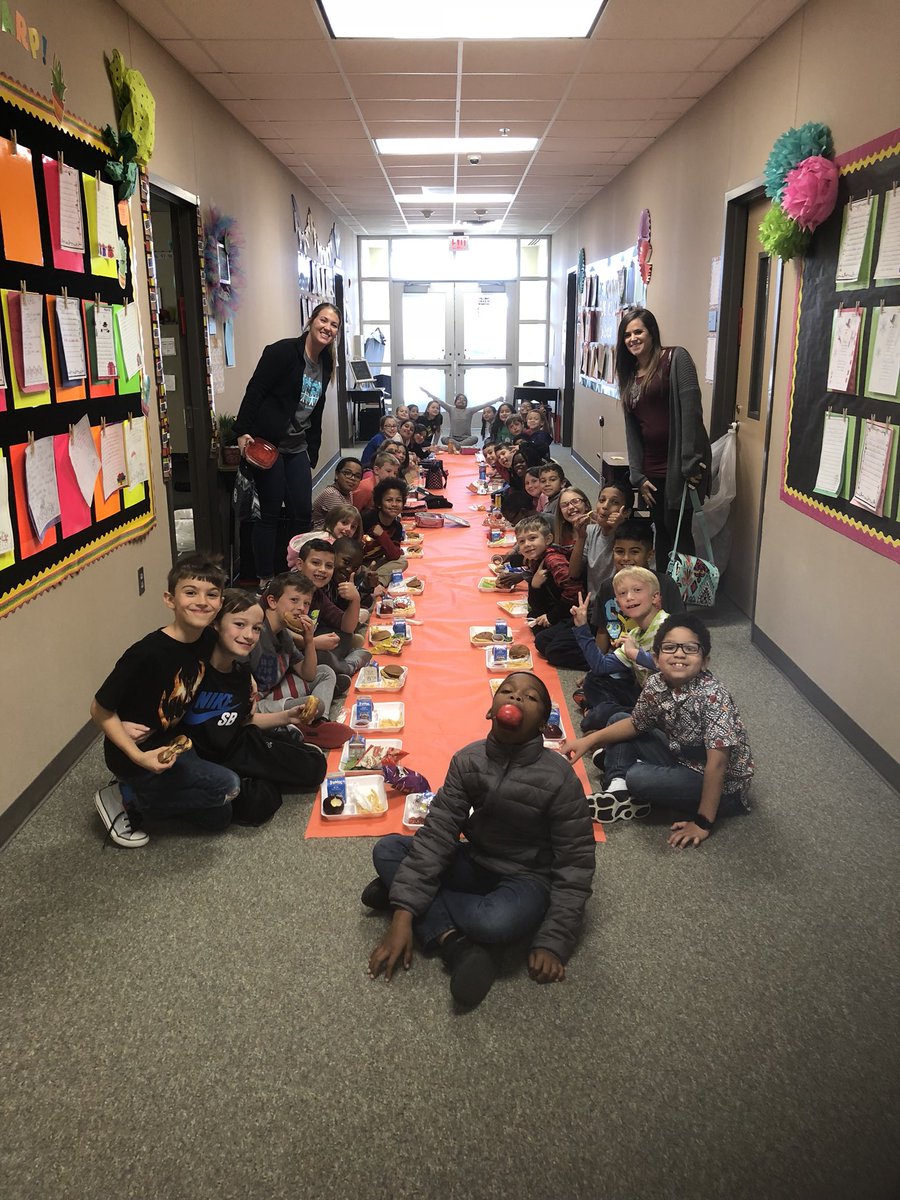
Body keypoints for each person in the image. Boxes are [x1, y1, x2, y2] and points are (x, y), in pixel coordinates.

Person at [363, 671, 595, 1008]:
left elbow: (576, 863)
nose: (516, 699)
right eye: (508, 691)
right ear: (491, 709)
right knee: (387, 848)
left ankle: (403, 892)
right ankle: (452, 940)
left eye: (530, 698)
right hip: (476, 859)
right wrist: (403, 916)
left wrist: (553, 940)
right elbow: (439, 830)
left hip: (525, 876)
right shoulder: (468, 760)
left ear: (545, 725)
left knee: (494, 923)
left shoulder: (560, 779)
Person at [564, 614, 754, 846]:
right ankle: (618, 789)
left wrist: (703, 823)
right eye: (670, 647)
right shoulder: (657, 683)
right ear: (655, 658)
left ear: (705, 661)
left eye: (690, 648)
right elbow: (635, 724)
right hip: (682, 755)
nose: (679, 654)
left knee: (638, 778)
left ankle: (628, 776)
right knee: (617, 719)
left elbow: (718, 764)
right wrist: (589, 741)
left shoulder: (712, 696)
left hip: (721, 784)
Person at [91, 553, 238, 847]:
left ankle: (143, 793)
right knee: (229, 785)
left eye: (212, 594)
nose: (202, 601)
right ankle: (124, 797)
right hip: (135, 752)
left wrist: (248, 681)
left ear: (220, 603)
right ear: (170, 600)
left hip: (173, 740)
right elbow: (99, 709)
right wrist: (136, 754)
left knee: (220, 816)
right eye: (190, 592)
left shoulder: (208, 640)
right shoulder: (146, 653)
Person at [182, 590, 328, 823]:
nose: (249, 635)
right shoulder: (190, 670)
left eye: (256, 629)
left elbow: (245, 720)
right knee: (251, 806)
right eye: (239, 624)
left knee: (316, 767)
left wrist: (288, 716)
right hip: (203, 758)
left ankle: (281, 744)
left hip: (238, 744)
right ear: (216, 624)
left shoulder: (241, 675)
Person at [235, 302, 342, 584]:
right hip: (269, 444)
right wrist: (242, 431)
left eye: (333, 325)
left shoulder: (326, 362)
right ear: (311, 321)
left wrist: (313, 449)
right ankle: (266, 578)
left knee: (302, 512)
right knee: (269, 513)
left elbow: (317, 408)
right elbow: (255, 389)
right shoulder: (283, 352)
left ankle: (297, 572)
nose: (327, 328)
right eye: (323, 320)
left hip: (298, 447)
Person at [615, 307, 711, 570]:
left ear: (651, 333)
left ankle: (685, 598)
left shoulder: (675, 358)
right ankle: (665, 594)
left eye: (638, 332)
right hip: (651, 469)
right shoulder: (629, 374)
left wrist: (690, 461)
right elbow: (632, 429)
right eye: (627, 335)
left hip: (680, 466)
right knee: (663, 530)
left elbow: (692, 409)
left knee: (678, 531)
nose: (632, 338)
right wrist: (638, 475)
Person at [534, 482, 632, 670]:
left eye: (613, 502)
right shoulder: (591, 531)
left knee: (555, 651)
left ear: (625, 512)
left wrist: (618, 526)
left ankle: (608, 660)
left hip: (610, 613)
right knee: (542, 639)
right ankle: (597, 650)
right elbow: (574, 572)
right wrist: (581, 536)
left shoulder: (625, 538)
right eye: (602, 500)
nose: (605, 506)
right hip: (589, 609)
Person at [572, 566, 669, 733]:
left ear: (655, 597)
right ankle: (606, 716)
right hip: (645, 698)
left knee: (596, 718)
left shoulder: (669, 627)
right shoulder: (635, 634)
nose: (629, 597)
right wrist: (582, 627)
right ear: (618, 604)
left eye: (637, 590)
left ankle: (599, 715)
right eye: (622, 594)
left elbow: (672, 667)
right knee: (594, 678)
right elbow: (600, 666)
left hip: (668, 710)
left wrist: (634, 654)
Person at [251, 573, 347, 727]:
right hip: (256, 704)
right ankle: (306, 726)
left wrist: (308, 640)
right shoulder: (255, 632)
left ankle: (320, 723)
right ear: (272, 601)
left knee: (325, 672)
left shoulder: (284, 633)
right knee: (316, 705)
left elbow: (308, 674)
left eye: (306, 603)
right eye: (294, 600)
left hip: (275, 691)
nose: (301, 608)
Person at [294, 539, 370, 679]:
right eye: (316, 563)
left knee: (343, 635)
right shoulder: (285, 588)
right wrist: (312, 643)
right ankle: (346, 667)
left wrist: (355, 599)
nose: (322, 570)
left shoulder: (317, 594)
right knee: (321, 657)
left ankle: (331, 673)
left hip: (307, 646)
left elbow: (347, 627)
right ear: (300, 564)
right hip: (285, 655)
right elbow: (277, 633)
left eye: (329, 566)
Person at [517, 515, 581, 632]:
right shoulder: (535, 559)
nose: (526, 544)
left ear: (548, 539)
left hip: (571, 614)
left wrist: (552, 617)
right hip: (555, 609)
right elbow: (535, 605)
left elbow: (574, 591)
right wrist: (535, 585)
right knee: (533, 619)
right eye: (521, 541)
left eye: (532, 538)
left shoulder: (553, 560)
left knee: (543, 640)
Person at [361, 476, 409, 585]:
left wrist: (382, 535)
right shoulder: (367, 519)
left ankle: (378, 582)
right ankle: (369, 578)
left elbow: (394, 556)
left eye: (398, 500)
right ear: (379, 503)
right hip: (361, 562)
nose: (394, 504)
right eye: (389, 500)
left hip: (377, 561)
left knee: (402, 561)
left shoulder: (397, 526)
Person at [286, 503, 361, 569]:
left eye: (353, 527)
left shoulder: (322, 534)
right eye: (344, 523)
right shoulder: (325, 543)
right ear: (333, 521)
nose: (348, 529)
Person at [421, 388, 498, 448]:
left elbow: (484, 405)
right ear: (455, 402)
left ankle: (458, 446)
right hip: (453, 439)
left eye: (464, 400)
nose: (461, 401)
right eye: (459, 399)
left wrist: (497, 400)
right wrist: (427, 393)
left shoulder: (470, 410)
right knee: (443, 439)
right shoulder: (451, 409)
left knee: (475, 438)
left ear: (466, 403)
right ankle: (460, 446)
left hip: (466, 439)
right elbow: (439, 401)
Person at [310, 457, 363, 530]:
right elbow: (345, 525)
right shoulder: (331, 494)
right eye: (347, 473)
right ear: (337, 474)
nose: (352, 478)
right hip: (321, 535)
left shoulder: (348, 492)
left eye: (357, 476)